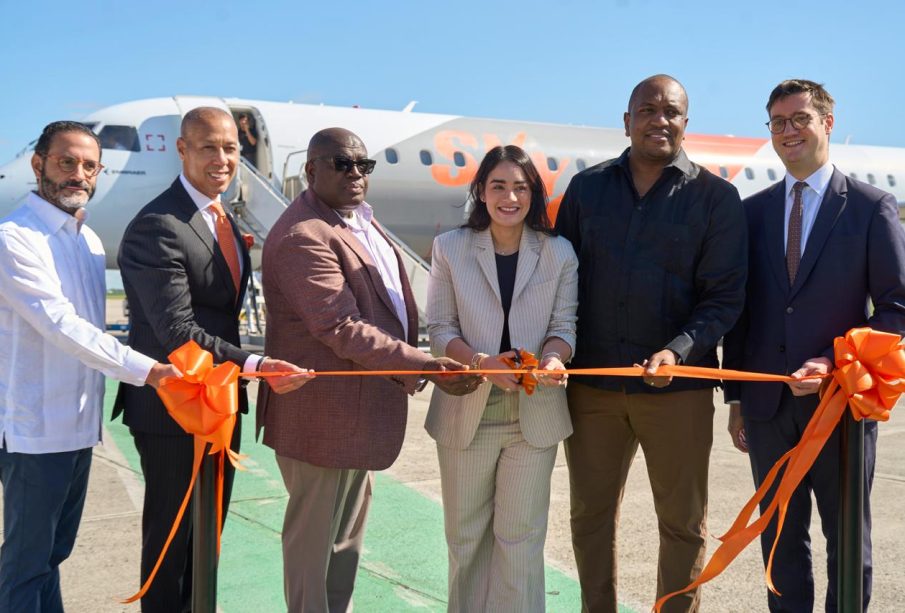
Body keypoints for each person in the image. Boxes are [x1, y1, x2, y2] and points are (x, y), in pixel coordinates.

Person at [257, 127, 480, 612]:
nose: (355, 173)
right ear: (310, 170)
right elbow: (340, 326)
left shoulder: (357, 221)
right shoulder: (303, 234)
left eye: (364, 165)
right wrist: (426, 364)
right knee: (312, 551)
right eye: (341, 164)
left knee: (343, 545)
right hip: (320, 418)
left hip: (357, 413)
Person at [554, 74, 747, 612]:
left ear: (686, 123)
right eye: (647, 109)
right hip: (593, 390)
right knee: (589, 519)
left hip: (678, 393)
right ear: (626, 120)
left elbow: (724, 299)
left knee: (682, 525)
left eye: (672, 111)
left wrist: (678, 350)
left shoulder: (716, 199)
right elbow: (560, 282)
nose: (659, 119)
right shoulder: (586, 191)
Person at [114, 107, 309, 612]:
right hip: (172, 410)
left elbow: (219, 315)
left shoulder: (221, 219)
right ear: (182, 150)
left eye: (231, 148)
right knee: (172, 544)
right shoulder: (159, 225)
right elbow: (178, 330)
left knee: (208, 537)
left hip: (219, 405)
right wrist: (256, 365)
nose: (222, 159)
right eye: (208, 147)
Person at [723, 79, 905, 613]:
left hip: (840, 404)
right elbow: (743, 309)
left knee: (846, 539)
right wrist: (736, 398)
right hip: (767, 407)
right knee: (778, 540)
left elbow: (896, 308)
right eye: (777, 123)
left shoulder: (871, 208)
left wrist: (832, 358)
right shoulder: (751, 212)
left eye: (799, 118)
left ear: (827, 122)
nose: (787, 131)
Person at [0, 121, 179, 612]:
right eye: (66, 162)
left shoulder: (89, 242)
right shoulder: (15, 238)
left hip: (79, 428)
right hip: (35, 430)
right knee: (25, 563)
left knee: (52, 555)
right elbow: (61, 326)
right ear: (38, 166)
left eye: (88, 165)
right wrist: (149, 370)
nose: (78, 174)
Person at [426, 145, 578, 611]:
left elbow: (563, 329)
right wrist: (480, 362)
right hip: (468, 409)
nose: (509, 196)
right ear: (481, 192)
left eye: (521, 187)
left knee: (522, 541)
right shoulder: (449, 247)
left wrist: (553, 359)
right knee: (466, 539)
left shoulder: (558, 252)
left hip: (533, 415)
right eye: (499, 186)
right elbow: (439, 329)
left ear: (534, 193)